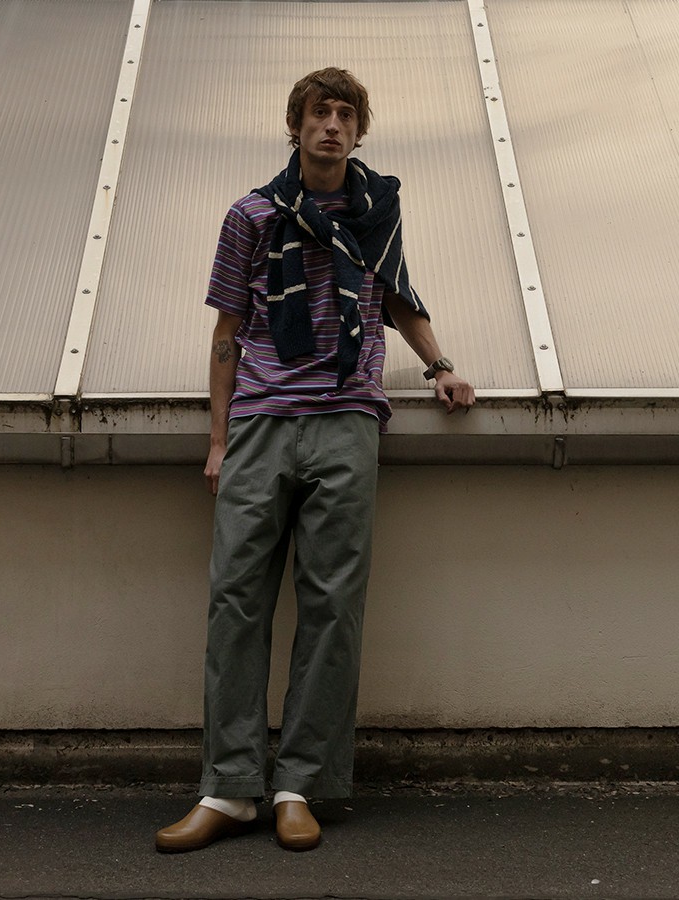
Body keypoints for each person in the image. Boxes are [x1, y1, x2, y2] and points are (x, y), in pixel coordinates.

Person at [155, 67, 475, 854]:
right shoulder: (253, 214)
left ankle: (300, 785)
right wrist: (218, 441)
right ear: (295, 126)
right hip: (262, 420)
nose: (331, 125)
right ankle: (229, 788)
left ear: (359, 131)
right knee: (236, 599)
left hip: (346, 419)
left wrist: (439, 366)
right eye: (318, 113)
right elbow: (227, 329)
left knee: (333, 604)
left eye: (344, 115)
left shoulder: (376, 212)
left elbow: (396, 296)